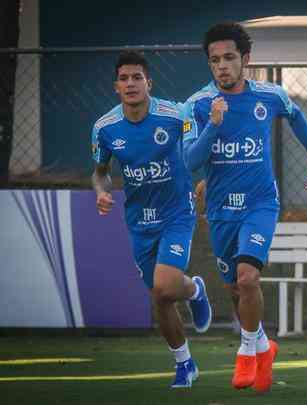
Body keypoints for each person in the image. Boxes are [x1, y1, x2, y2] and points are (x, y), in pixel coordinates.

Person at [182, 22, 307, 392]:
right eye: (215, 60)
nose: (222, 66)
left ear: (245, 59)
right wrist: (213, 125)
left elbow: (297, 116)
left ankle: (246, 351)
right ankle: (263, 343)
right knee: (235, 288)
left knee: (248, 277)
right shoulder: (197, 105)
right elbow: (189, 161)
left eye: (229, 58)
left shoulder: (269, 95)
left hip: (261, 202)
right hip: (219, 209)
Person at [91, 51, 212, 388]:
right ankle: (185, 362)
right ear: (116, 86)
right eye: (124, 78)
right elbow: (100, 173)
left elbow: (197, 149)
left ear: (149, 83)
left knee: (163, 285)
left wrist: (206, 178)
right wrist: (102, 192)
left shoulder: (174, 116)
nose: (131, 84)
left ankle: (192, 290)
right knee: (160, 296)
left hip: (177, 212)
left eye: (137, 78)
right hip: (139, 221)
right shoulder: (104, 128)